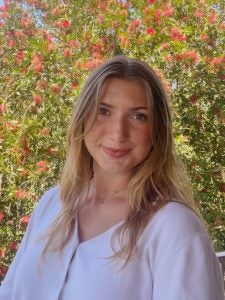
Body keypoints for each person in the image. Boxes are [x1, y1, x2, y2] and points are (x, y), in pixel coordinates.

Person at [0, 56, 224, 300]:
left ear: (157, 130)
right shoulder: (52, 203)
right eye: (103, 111)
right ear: (82, 118)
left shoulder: (174, 228)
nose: (118, 132)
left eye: (138, 116)